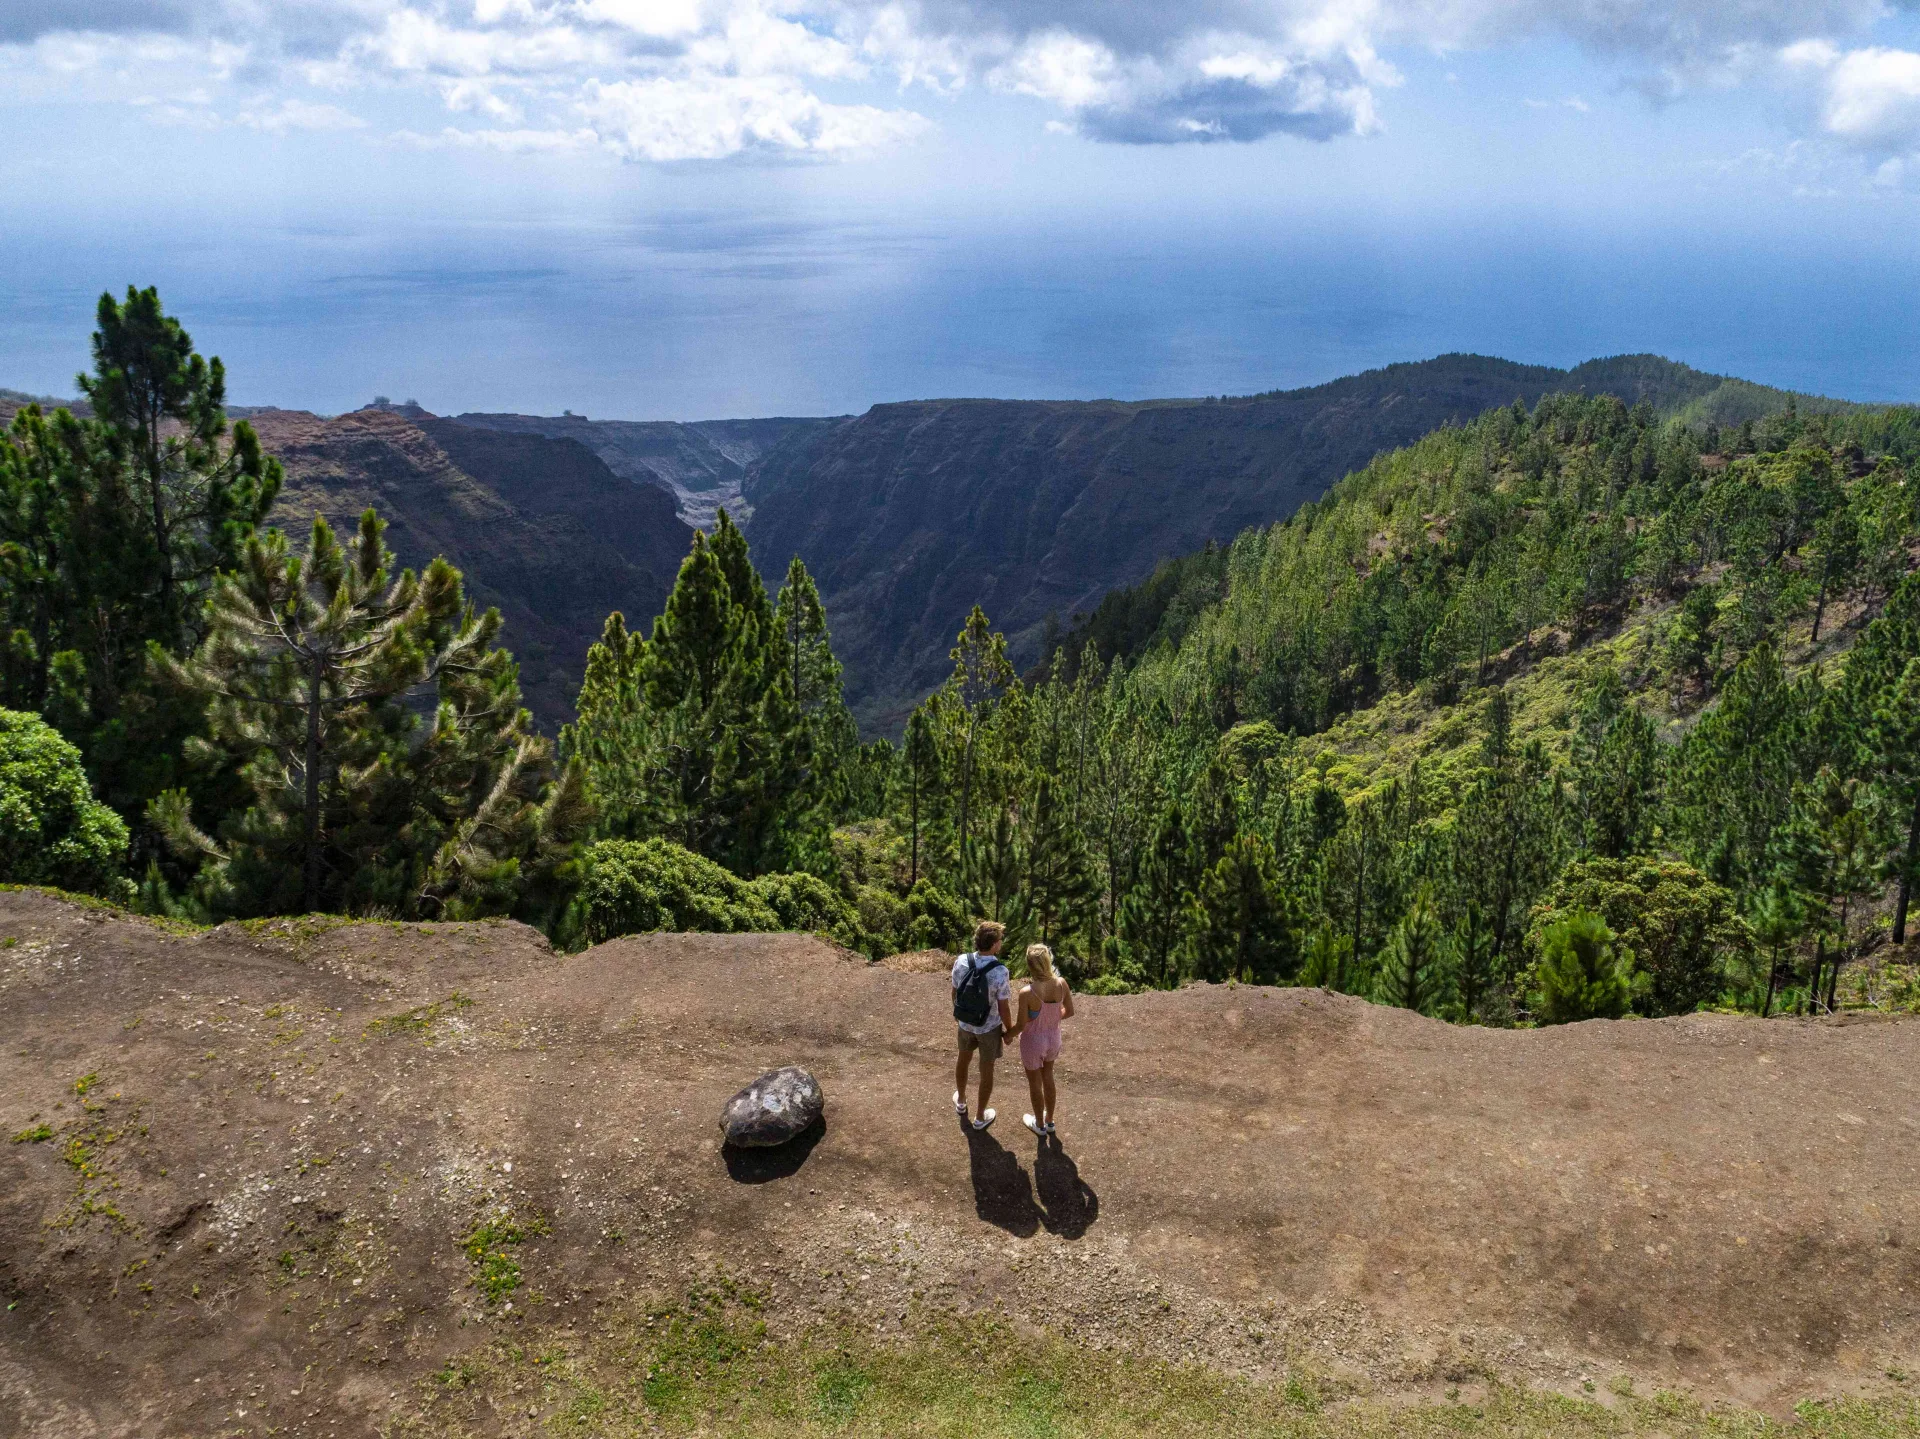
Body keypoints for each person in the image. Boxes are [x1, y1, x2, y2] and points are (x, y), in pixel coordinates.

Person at [952, 920, 1015, 1131]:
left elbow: (955, 992)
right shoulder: (1000, 971)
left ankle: (961, 1101)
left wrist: (959, 1016)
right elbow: (1003, 1007)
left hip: (965, 1023)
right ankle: (980, 1117)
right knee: (986, 1070)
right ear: (994, 944)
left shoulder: (961, 961)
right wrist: (1009, 1031)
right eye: (1000, 940)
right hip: (989, 1028)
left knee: (963, 1059)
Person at [1012, 942, 1073, 1136]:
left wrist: (1007, 1035)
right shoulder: (1061, 984)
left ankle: (1039, 1124)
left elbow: (1021, 1025)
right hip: (1053, 1037)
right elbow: (1069, 1011)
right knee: (1049, 1076)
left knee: (1034, 1083)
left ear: (1030, 965)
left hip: (1032, 1041)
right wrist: (1052, 1017)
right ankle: (1050, 1120)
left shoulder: (1027, 992)